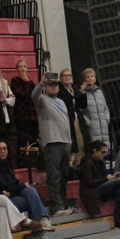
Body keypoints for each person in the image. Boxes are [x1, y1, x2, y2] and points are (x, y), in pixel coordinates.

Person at [32, 73, 75, 216]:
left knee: (63, 176)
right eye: (51, 85)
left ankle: (64, 203)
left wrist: (70, 141)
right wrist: (41, 83)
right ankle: (57, 207)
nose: (54, 87)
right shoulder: (42, 100)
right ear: (46, 87)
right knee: (54, 176)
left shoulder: (61, 101)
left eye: (56, 85)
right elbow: (34, 95)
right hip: (52, 143)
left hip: (65, 142)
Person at [0, 140, 53, 231]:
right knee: (31, 198)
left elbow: (13, 183)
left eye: (4, 148)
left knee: (31, 192)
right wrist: (22, 186)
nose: (2, 151)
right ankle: (40, 226)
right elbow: (5, 186)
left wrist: (22, 185)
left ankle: (41, 223)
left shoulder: (7, 164)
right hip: (4, 200)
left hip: (13, 195)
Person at [10, 58, 39, 151]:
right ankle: (22, 158)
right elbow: (22, 95)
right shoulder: (15, 81)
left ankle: (34, 157)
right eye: (20, 67)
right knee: (22, 140)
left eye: (24, 66)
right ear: (17, 69)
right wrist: (26, 83)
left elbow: (35, 96)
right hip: (22, 115)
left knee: (34, 139)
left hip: (32, 114)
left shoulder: (31, 82)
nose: (22, 68)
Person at [77, 68, 111, 148]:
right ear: (84, 80)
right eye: (87, 77)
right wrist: (88, 122)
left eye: (92, 76)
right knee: (95, 149)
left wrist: (107, 119)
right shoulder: (81, 93)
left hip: (103, 126)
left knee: (106, 149)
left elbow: (105, 108)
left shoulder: (99, 92)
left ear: (95, 79)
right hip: (91, 128)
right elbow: (79, 111)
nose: (90, 78)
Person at [58, 69, 84, 165]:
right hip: (66, 120)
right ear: (61, 78)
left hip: (76, 118)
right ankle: (70, 164)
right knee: (72, 145)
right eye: (65, 75)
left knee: (80, 144)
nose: (67, 77)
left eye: (69, 75)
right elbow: (66, 104)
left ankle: (79, 162)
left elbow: (82, 105)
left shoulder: (74, 88)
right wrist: (70, 93)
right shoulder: (59, 91)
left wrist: (83, 93)